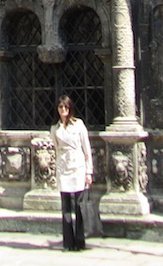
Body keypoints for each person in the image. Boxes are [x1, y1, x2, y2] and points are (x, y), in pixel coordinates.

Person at [51, 94, 93, 252]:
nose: (63, 110)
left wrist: (89, 171)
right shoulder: (55, 129)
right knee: (66, 207)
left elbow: (86, 149)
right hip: (64, 169)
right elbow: (57, 148)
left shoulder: (79, 125)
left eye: (66, 107)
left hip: (78, 167)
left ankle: (80, 240)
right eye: (61, 107)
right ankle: (68, 242)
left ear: (70, 109)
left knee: (79, 206)